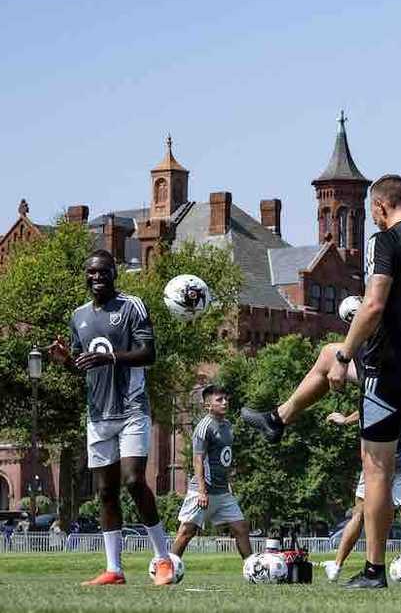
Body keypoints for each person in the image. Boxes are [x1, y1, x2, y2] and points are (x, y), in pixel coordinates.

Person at [242, 175, 401, 589]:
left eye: (373, 210)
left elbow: (372, 305)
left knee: (376, 471)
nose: (373, 216)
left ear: (382, 207)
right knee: (326, 354)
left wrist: (348, 356)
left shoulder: (384, 242)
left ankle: (373, 571)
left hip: (385, 371)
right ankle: (278, 419)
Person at [47, 249, 176, 585]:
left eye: (103, 271)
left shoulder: (132, 306)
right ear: (85, 276)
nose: (96, 277)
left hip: (132, 408)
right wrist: (66, 360)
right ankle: (114, 570)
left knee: (133, 480)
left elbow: (149, 354)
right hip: (98, 413)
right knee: (105, 491)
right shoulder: (78, 316)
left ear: (114, 273)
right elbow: (85, 365)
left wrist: (110, 359)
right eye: (91, 272)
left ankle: (163, 559)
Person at [323, 389, 401, 585]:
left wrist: (344, 420)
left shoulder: (392, 384)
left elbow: (365, 411)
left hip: (378, 461)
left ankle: (336, 566)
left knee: (359, 514)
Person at [170, 384, 252, 562]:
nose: (225, 402)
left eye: (226, 399)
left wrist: (229, 481)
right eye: (219, 400)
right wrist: (201, 491)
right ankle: (167, 568)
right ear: (208, 405)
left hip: (223, 492)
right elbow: (198, 460)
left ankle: (252, 567)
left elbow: (225, 457)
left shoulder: (228, 425)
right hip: (203, 491)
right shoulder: (204, 427)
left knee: (241, 528)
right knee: (186, 532)